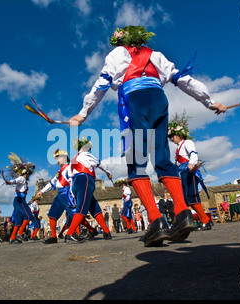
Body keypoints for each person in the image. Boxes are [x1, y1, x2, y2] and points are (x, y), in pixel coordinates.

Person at [68, 26, 226, 246]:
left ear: (120, 41)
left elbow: (103, 82)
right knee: (162, 155)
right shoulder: (155, 55)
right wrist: (209, 102)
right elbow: (182, 78)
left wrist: (83, 113)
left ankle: (156, 221)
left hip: (135, 100)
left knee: (136, 161)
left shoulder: (116, 54)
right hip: (158, 99)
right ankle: (182, 213)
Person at [64, 137, 113, 243]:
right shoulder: (87, 155)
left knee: (94, 206)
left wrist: (72, 192)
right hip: (85, 179)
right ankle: (70, 233)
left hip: (76, 183)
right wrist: (108, 173)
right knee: (82, 208)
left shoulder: (73, 159)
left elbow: (70, 176)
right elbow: (100, 164)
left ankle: (106, 231)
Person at [168, 118, 212, 231]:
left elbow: (193, 153)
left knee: (192, 196)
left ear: (179, 134)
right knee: (187, 199)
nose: (172, 139)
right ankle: (204, 220)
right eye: (171, 137)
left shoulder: (187, 143)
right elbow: (177, 163)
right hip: (183, 173)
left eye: (173, 136)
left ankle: (206, 221)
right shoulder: (178, 148)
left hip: (190, 171)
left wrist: (191, 163)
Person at [35, 149, 76, 244]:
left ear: (64, 158)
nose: (57, 161)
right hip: (60, 193)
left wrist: (73, 192)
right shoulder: (59, 171)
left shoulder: (70, 168)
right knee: (52, 215)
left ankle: (82, 232)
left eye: (58, 158)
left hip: (67, 192)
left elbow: (72, 181)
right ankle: (53, 236)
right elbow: (52, 182)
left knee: (74, 214)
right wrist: (42, 191)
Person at [4, 153, 36, 244]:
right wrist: (9, 182)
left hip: (20, 201)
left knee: (18, 220)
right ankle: (20, 233)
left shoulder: (24, 180)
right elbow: (15, 181)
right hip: (19, 200)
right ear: (25, 173)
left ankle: (12, 238)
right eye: (28, 173)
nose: (29, 174)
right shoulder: (21, 178)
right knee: (28, 215)